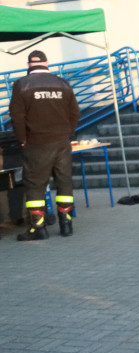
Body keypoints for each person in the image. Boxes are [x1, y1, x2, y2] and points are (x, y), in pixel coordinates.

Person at [9, 49, 80, 240]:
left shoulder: (21, 85)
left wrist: (22, 139)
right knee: (64, 182)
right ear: (47, 64)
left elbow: (17, 116)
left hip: (36, 143)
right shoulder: (63, 84)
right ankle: (66, 225)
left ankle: (38, 228)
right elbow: (75, 113)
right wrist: (67, 134)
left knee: (35, 185)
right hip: (61, 142)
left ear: (28, 66)